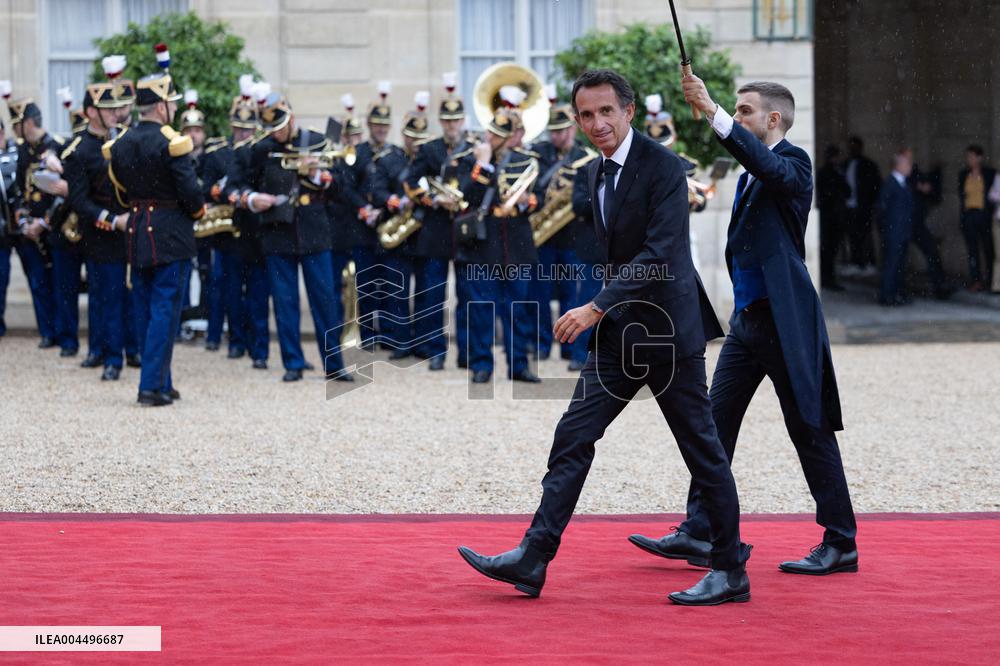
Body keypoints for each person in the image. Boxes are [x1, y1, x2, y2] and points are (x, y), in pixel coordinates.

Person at [458, 69, 749, 606]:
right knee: (573, 436)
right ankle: (533, 556)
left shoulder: (663, 168)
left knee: (702, 451)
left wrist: (594, 307)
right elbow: (616, 255)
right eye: (586, 115)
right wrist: (605, 313)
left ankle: (730, 570)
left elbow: (659, 254)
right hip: (619, 333)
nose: (597, 124)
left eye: (606, 112)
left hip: (665, 330)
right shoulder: (591, 174)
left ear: (629, 111)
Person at [629, 76, 857, 577]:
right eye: (736, 110)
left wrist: (712, 111)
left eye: (745, 111)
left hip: (786, 323)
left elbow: (767, 164)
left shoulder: (792, 163)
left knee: (809, 429)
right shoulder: (750, 171)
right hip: (747, 326)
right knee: (711, 425)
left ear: (772, 120)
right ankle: (700, 529)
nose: (739, 116)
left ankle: (841, 541)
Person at [108, 65, 206, 406]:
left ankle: (162, 381)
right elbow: (191, 196)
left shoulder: (120, 144)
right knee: (165, 311)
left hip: (137, 232)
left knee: (148, 309)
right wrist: (197, 211)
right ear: (162, 106)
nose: (176, 109)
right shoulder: (174, 142)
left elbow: (121, 195)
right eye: (173, 103)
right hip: (170, 235)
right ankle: (150, 386)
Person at [237, 92, 351, 383]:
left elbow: (341, 187)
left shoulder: (316, 140)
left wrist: (318, 175)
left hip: (314, 231)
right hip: (277, 232)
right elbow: (241, 182)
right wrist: (251, 198)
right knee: (285, 302)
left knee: (325, 300)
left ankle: (334, 364)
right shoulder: (262, 149)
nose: (277, 133)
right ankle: (293, 362)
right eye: (272, 129)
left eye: (281, 126)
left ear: (292, 119)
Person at [455, 107, 543, 384]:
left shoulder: (525, 161)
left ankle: (519, 365)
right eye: (491, 132)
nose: (489, 137)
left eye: (496, 135)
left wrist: (525, 201)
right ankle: (482, 364)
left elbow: (538, 197)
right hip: (484, 243)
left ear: (507, 139)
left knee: (517, 308)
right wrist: (486, 166)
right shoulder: (473, 161)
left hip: (516, 242)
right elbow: (466, 197)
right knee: (482, 308)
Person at [62, 75, 135, 380]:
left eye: (116, 108)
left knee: (130, 295)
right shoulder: (80, 150)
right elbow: (80, 201)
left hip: (130, 230)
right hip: (102, 234)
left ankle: (132, 350)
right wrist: (111, 219)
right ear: (92, 112)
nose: (114, 113)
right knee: (106, 298)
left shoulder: (125, 140)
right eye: (107, 109)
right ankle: (110, 358)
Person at [403, 74, 471, 371]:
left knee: (468, 294)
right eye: (447, 120)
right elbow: (410, 182)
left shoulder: (474, 147)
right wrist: (432, 199)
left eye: (456, 120)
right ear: (441, 122)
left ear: (463, 120)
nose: (452, 125)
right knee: (433, 294)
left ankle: (467, 351)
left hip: (467, 230)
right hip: (436, 230)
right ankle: (435, 350)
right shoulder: (429, 150)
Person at [530, 98, 600, 371]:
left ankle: (574, 351)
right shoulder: (540, 154)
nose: (557, 136)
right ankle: (542, 345)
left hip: (573, 239)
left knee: (573, 296)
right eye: (553, 131)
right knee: (541, 293)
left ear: (572, 128)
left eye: (561, 131)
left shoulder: (584, 157)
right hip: (544, 237)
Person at [366, 93, 430, 360]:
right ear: (403, 135)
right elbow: (376, 190)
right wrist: (395, 201)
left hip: (425, 234)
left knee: (426, 293)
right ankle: (401, 341)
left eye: (419, 137)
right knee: (397, 292)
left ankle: (424, 343)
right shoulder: (389, 159)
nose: (415, 142)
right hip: (399, 233)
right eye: (410, 137)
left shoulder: (432, 158)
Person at [10, 97, 60, 348]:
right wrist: (22, 215)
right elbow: (19, 189)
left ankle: (61, 332)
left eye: (17, 125)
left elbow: (61, 194)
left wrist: (45, 221)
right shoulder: (22, 151)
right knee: (38, 283)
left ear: (28, 123)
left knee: (59, 283)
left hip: (52, 228)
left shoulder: (54, 147)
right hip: (29, 230)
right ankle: (47, 332)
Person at [875, 151, 915, 306]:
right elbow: (881, 210)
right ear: (899, 165)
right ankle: (887, 295)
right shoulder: (890, 183)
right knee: (891, 265)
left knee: (899, 265)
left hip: (902, 232)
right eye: (907, 163)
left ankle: (897, 293)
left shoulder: (904, 183)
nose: (910, 167)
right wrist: (886, 230)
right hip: (893, 233)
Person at [958, 145, 996, 292]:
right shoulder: (964, 174)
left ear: (980, 157)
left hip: (983, 215)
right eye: (968, 157)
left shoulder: (988, 173)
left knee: (988, 249)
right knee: (972, 250)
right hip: (969, 214)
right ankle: (976, 280)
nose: (970, 160)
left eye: (973, 156)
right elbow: (962, 195)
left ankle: (991, 279)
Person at [843, 136, 880, 276]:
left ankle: (870, 263)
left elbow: (875, 185)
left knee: (866, 236)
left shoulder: (868, 165)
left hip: (863, 206)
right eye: (850, 147)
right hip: (849, 207)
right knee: (852, 236)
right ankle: (855, 263)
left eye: (855, 147)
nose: (852, 149)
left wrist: (870, 203)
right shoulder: (846, 164)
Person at [816, 144, 849, 290]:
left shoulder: (833, 172)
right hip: (830, 216)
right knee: (829, 250)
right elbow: (843, 191)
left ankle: (827, 278)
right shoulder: (829, 173)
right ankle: (827, 279)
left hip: (832, 216)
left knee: (830, 249)